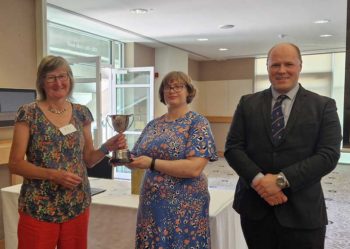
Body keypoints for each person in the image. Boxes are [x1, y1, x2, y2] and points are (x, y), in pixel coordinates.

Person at [224, 43, 342, 249]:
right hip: (255, 208)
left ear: (300, 66)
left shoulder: (324, 105)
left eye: (289, 64)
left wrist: (280, 181)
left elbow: (328, 155)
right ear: (267, 67)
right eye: (275, 65)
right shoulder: (247, 103)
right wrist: (261, 182)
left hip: (302, 211)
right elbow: (233, 148)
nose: (282, 70)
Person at [8, 55, 126, 249]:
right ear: (42, 82)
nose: (58, 82)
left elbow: (88, 159)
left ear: (70, 80)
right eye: (51, 77)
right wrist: (53, 175)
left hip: (76, 203)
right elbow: (15, 163)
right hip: (40, 205)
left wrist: (107, 147)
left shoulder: (81, 112)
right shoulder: (28, 113)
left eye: (63, 76)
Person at [127, 71, 218, 248]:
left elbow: (194, 168)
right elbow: (137, 157)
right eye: (168, 87)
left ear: (188, 91)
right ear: (162, 93)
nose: (172, 90)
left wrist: (152, 163)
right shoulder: (154, 124)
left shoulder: (197, 123)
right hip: (151, 203)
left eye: (178, 86)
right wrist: (123, 158)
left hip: (185, 205)